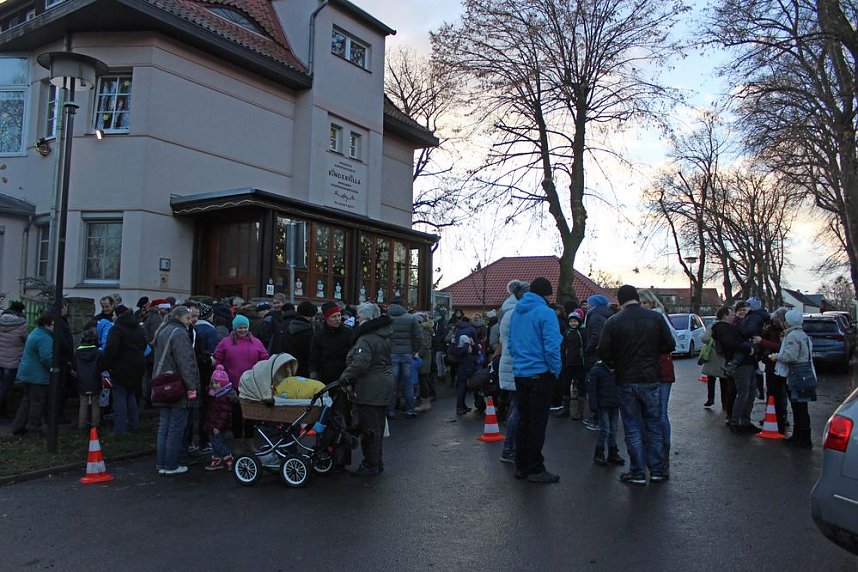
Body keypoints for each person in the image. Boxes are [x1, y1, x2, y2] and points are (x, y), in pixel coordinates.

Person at [598, 285, 675, 485]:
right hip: (651, 377)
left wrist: (616, 362)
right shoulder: (655, 318)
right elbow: (669, 345)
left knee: (632, 427)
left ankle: (638, 471)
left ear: (621, 300)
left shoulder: (613, 321)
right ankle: (657, 470)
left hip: (625, 379)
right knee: (654, 424)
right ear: (637, 299)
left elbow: (603, 352)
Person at [507, 277, 563, 484]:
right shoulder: (546, 313)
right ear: (547, 294)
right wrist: (555, 370)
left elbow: (510, 343)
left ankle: (521, 465)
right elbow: (552, 346)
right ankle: (535, 468)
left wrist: (519, 364)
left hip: (521, 373)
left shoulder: (516, 313)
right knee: (538, 423)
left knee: (524, 420)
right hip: (541, 373)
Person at [337, 302, 394, 477]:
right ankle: (376, 461)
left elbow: (360, 363)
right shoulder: (383, 335)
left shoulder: (366, 338)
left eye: (360, 317)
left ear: (366, 319)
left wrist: (344, 377)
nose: (357, 320)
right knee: (377, 425)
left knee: (369, 428)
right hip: (383, 384)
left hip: (369, 387)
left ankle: (370, 464)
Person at [152, 306, 200, 475]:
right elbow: (185, 363)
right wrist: (192, 388)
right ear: (180, 318)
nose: (190, 322)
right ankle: (171, 465)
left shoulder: (163, 330)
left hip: (163, 385)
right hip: (177, 386)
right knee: (176, 427)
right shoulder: (179, 334)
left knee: (164, 426)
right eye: (188, 318)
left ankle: (162, 463)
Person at [213, 314, 270, 439]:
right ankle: (237, 439)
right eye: (240, 327)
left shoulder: (256, 342)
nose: (243, 330)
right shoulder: (225, 342)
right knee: (236, 413)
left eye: (245, 327)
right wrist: (219, 374)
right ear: (234, 328)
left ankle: (249, 440)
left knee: (251, 414)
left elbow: (265, 358)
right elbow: (217, 359)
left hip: (251, 385)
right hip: (233, 384)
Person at [770, 309, 816, 448]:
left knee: (798, 406)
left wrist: (776, 356)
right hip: (806, 372)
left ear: (788, 322)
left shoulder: (792, 336)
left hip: (797, 374)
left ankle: (800, 438)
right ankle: (802, 436)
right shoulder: (803, 335)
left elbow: (790, 356)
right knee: (802, 407)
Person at [712, 304, 760, 435]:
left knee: (750, 393)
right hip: (740, 364)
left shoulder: (731, 327)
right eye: (731, 314)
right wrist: (747, 349)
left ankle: (745, 421)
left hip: (748, 362)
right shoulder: (723, 328)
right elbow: (730, 344)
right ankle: (736, 421)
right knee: (743, 393)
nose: (734, 316)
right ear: (725, 316)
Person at [101, 305, 148, 435]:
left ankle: (120, 428)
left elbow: (111, 349)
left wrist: (106, 365)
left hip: (121, 366)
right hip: (138, 365)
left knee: (119, 396)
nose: (112, 317)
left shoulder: (116, 329)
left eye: (114, 315)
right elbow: (144, 344)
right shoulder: (138, 328)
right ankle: (134, 423)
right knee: (131, 394)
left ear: (118, 315)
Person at [498, 279, 529, 464]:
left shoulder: (508, 311)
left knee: (517, 409)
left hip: (511, 366)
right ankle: (509, 449)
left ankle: (512, 448)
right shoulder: (515, 313)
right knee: (518, 410)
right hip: (516, 367)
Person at [11, 313, 54, 437]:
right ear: (46, 325)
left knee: (27, 400)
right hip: (37, 376)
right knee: (37, 402)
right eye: (53, 325)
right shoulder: (45, 337)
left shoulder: (35, 332)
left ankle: (19, 426)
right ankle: (33, 427)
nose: (55, 328)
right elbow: (46, 357)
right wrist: (53, 368)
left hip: (26, 373)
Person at [387, 296, 422, 419]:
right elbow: (418, 337)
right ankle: (410, 409)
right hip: (407, 353)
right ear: (403, 305)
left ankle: (390, 411)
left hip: (391, 353)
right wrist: (414, 350)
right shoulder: (411, 318)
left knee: (392, 383)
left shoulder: (387, 318)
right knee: (408, 383)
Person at [755, 307, 788, 433]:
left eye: (776, 320)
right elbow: (762, 345)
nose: (774, 322)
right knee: (771, 392)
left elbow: (780, 347)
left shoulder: (785, 332)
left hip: (780, 364)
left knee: (781, 393)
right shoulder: (770, 329)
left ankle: (781, 417)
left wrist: (762, 342)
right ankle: (771, 415)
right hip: (770, 364)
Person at [587, 360, 624, 466]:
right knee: (606, 430)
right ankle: (601, 452)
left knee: (612, 430)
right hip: (604, 405)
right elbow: (592, 390)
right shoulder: (598, 370)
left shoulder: (599, 370)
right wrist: (593, 406)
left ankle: (610, 452)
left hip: (613, 404)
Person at [203, 365, 236, 471]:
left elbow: (223, 415)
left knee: (217, 444)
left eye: (216, 383)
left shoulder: (224, 398)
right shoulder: (214, 395)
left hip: (218, 426)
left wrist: (218, 426)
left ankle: (228, 457)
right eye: (212, 383)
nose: (214, 385)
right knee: (214, 443)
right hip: (212, 424)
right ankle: (217, 460)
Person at [0, 301, 28, 421]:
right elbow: (26, 340)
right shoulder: (21, 325)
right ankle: (3, 414)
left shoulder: (1, 321)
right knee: (6, 388)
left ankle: (3, 413)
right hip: (12, 361)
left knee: (2, 387)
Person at [558, 310, 586, 419]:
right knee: (566, 384)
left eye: (575, 321)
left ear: (579, 322)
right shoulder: (567, 332)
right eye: (571, 321)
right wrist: (562, 359)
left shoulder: (583, 332)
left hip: (580, 363)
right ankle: (566, 408)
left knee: (581, 385)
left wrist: (585, 362)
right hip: (568, 363)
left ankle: (580, 410)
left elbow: (585, 347)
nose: (573, 323)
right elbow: (563, 347)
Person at [72, 330, 102, 431]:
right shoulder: (97, 353)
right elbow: (101, 366)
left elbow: (75, 367)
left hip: (82, 380)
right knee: (95, 403)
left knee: (83, 403)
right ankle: (95, 424)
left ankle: (82, 424)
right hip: (95, 379)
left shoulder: (77, 353)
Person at [281, 301, 316, 376]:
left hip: (289, 370)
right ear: (311, 316)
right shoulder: (309, 333)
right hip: (304, 373)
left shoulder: (288, 329)